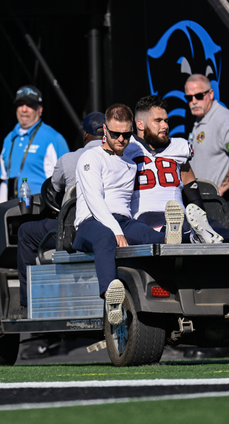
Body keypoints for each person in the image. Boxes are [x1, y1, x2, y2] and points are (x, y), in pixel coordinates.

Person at [72, 103, 180, 326]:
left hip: (123, 220)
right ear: (104, 130)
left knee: (150, 235)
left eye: (125, 134)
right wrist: (115, 230)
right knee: (105, 237)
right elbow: (94, 200)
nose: (121, 139)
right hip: (91, 222)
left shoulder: (131, 158)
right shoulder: (91, 158)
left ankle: (177, 234)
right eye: (115, 134)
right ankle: (110, 299)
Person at [128, 95, 229, 244]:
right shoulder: (128, 149)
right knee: (169, 229)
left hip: (180, 215)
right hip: (146, 216)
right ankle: (202, 236)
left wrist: (201, 218)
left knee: (211, 227)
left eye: (166, 121)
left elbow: (191, 190)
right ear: (141, 125)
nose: (165, 126)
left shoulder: (178, 148)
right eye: (158, 121)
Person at [12, 112, 106, 320]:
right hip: (110, 227)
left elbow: (53, 189)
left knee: (26, 232)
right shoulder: (120, 160)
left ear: (85, 135)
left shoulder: (69, 160)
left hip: (75, 231)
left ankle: (27, 304)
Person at [184, 73, 229, 228]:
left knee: (225, 251)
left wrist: (220, 190)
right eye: (189, 98)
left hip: (224, 204)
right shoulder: (199, 119)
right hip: (206, 203)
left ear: (211, 93)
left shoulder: (223, 119)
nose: (194, 101)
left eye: (199, 96)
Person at [0, 85, 69, 204]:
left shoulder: (53, 138)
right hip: (12, 210)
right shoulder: (9, 139)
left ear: (40, 110)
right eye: (20, 104)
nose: (24, 109)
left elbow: (68, 179)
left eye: (30, 105)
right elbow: (4, 181)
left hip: (42, 212)